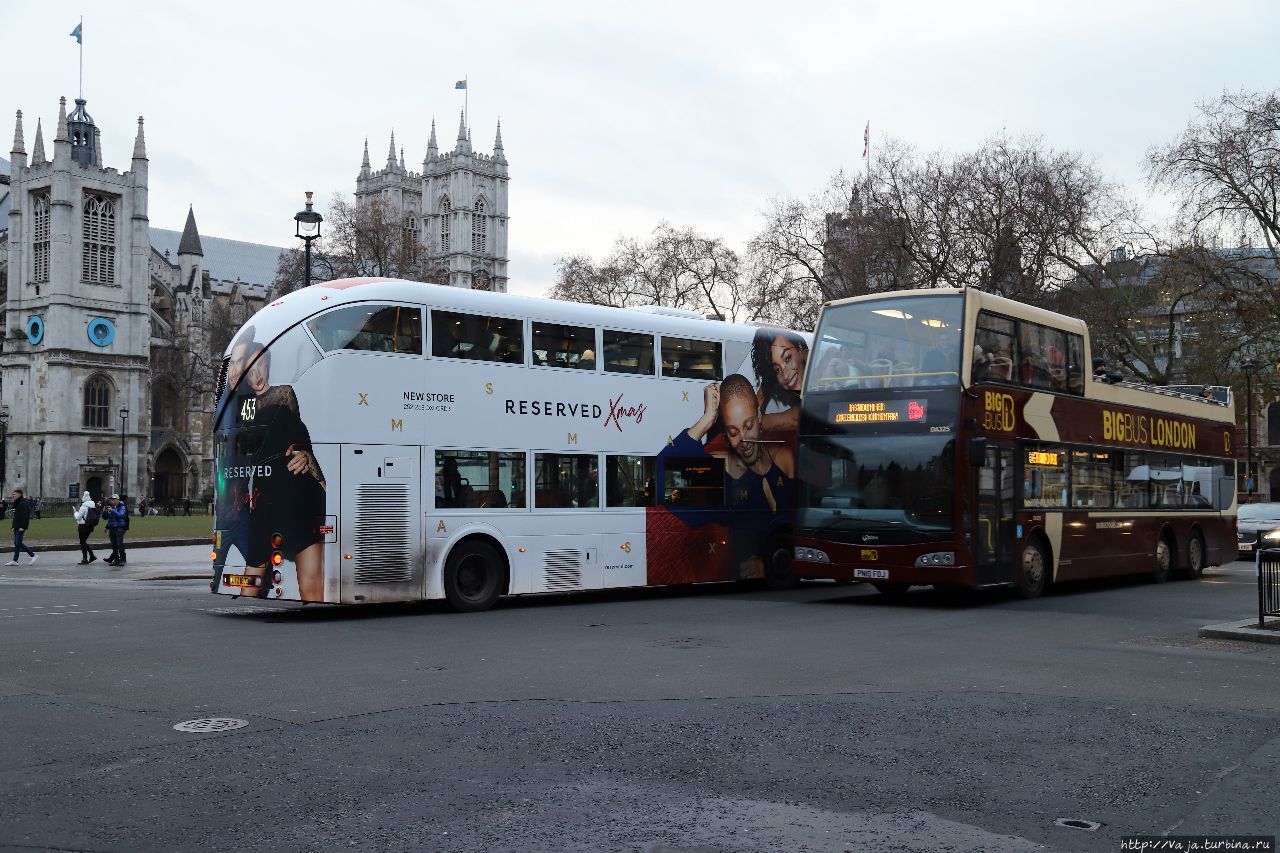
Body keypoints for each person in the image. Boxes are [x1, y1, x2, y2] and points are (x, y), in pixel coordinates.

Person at [243, 341, 328, 601]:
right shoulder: (245, 405)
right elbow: (247, 450)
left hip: (297, 490)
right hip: (265, 493)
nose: (256, 375)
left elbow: (300, 437)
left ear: (268, 365)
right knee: (250, 580)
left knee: (311, 583)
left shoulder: (284, 393)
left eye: (260, 366)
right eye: (250, 369)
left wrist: (307, 457)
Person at [751, 328, 810, 433]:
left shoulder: (822, 375)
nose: (786, 376)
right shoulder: (773, 388)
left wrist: (755, 424)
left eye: (788, 359)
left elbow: (797, 418)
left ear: (800, 348)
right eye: (777, 370)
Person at [6, 489, 37, 566]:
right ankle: (15, 560)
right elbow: (16, 516)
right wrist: (13, 526)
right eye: (12, 494)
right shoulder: (17, 503)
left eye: (14, 494)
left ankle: (33, 555)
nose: (13, 496)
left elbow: (25, 516)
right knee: (16, 544)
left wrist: (23, 527)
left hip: (21, 527)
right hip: (16, 526)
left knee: (18, 543)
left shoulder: (24, 503)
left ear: (20, 494)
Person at [73, 491, 99, 564]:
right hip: (90, 526)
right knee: (83, 542)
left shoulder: (84, 506)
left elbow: (78, 517)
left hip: (83, 526)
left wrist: (75, 512)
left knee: (82, 542)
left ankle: (85, 558)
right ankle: (91, 555)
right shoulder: (93, 505)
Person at [104, 494, 127, 565]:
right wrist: (106, 512)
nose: (112, 501)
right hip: (112, 527)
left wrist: (112, 510)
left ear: (117, 500)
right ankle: (116, 560)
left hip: (119, 527)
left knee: (119, 544)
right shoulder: (111, 507)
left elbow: (120, 515)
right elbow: (107, 518)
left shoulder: (122, 507)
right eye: (111, 499)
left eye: (114, 499)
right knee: (114, 545)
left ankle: (122, 560)